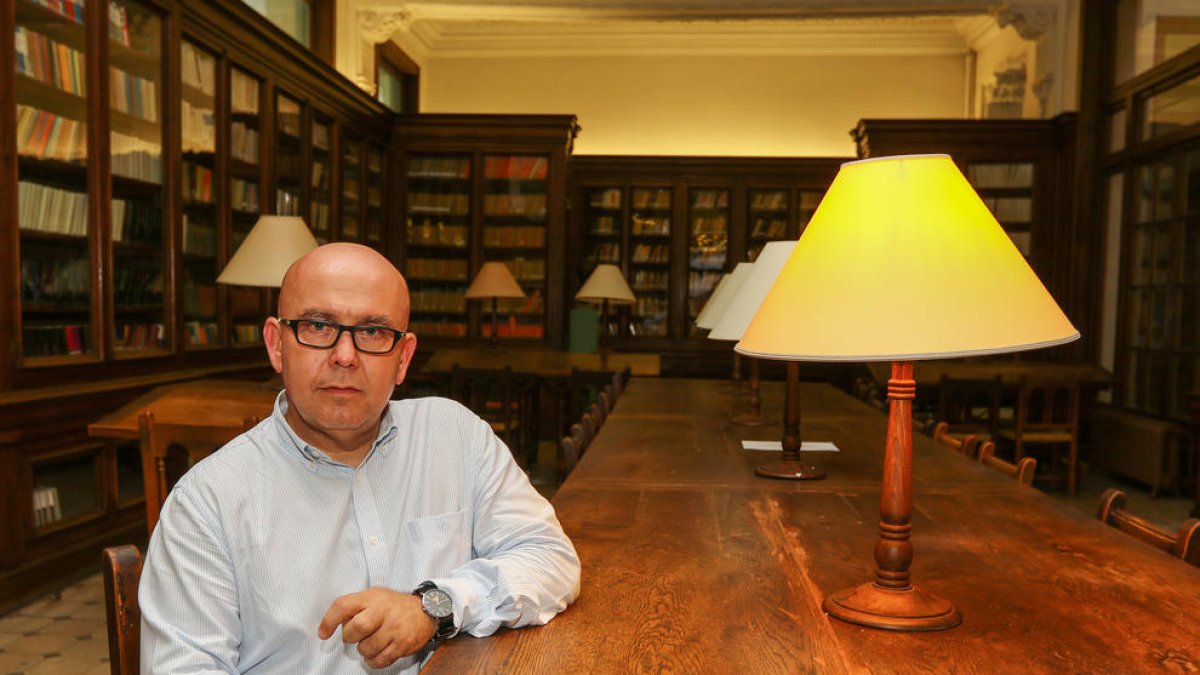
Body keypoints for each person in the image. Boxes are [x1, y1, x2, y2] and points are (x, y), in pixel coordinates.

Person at [139, 243, 581, 673]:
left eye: (373, 332)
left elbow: (549, 559)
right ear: (277, 345)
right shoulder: (206, 503)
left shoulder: (457, 438)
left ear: (403, 358)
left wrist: (435, 605)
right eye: (317, 326)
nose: (345, 356)